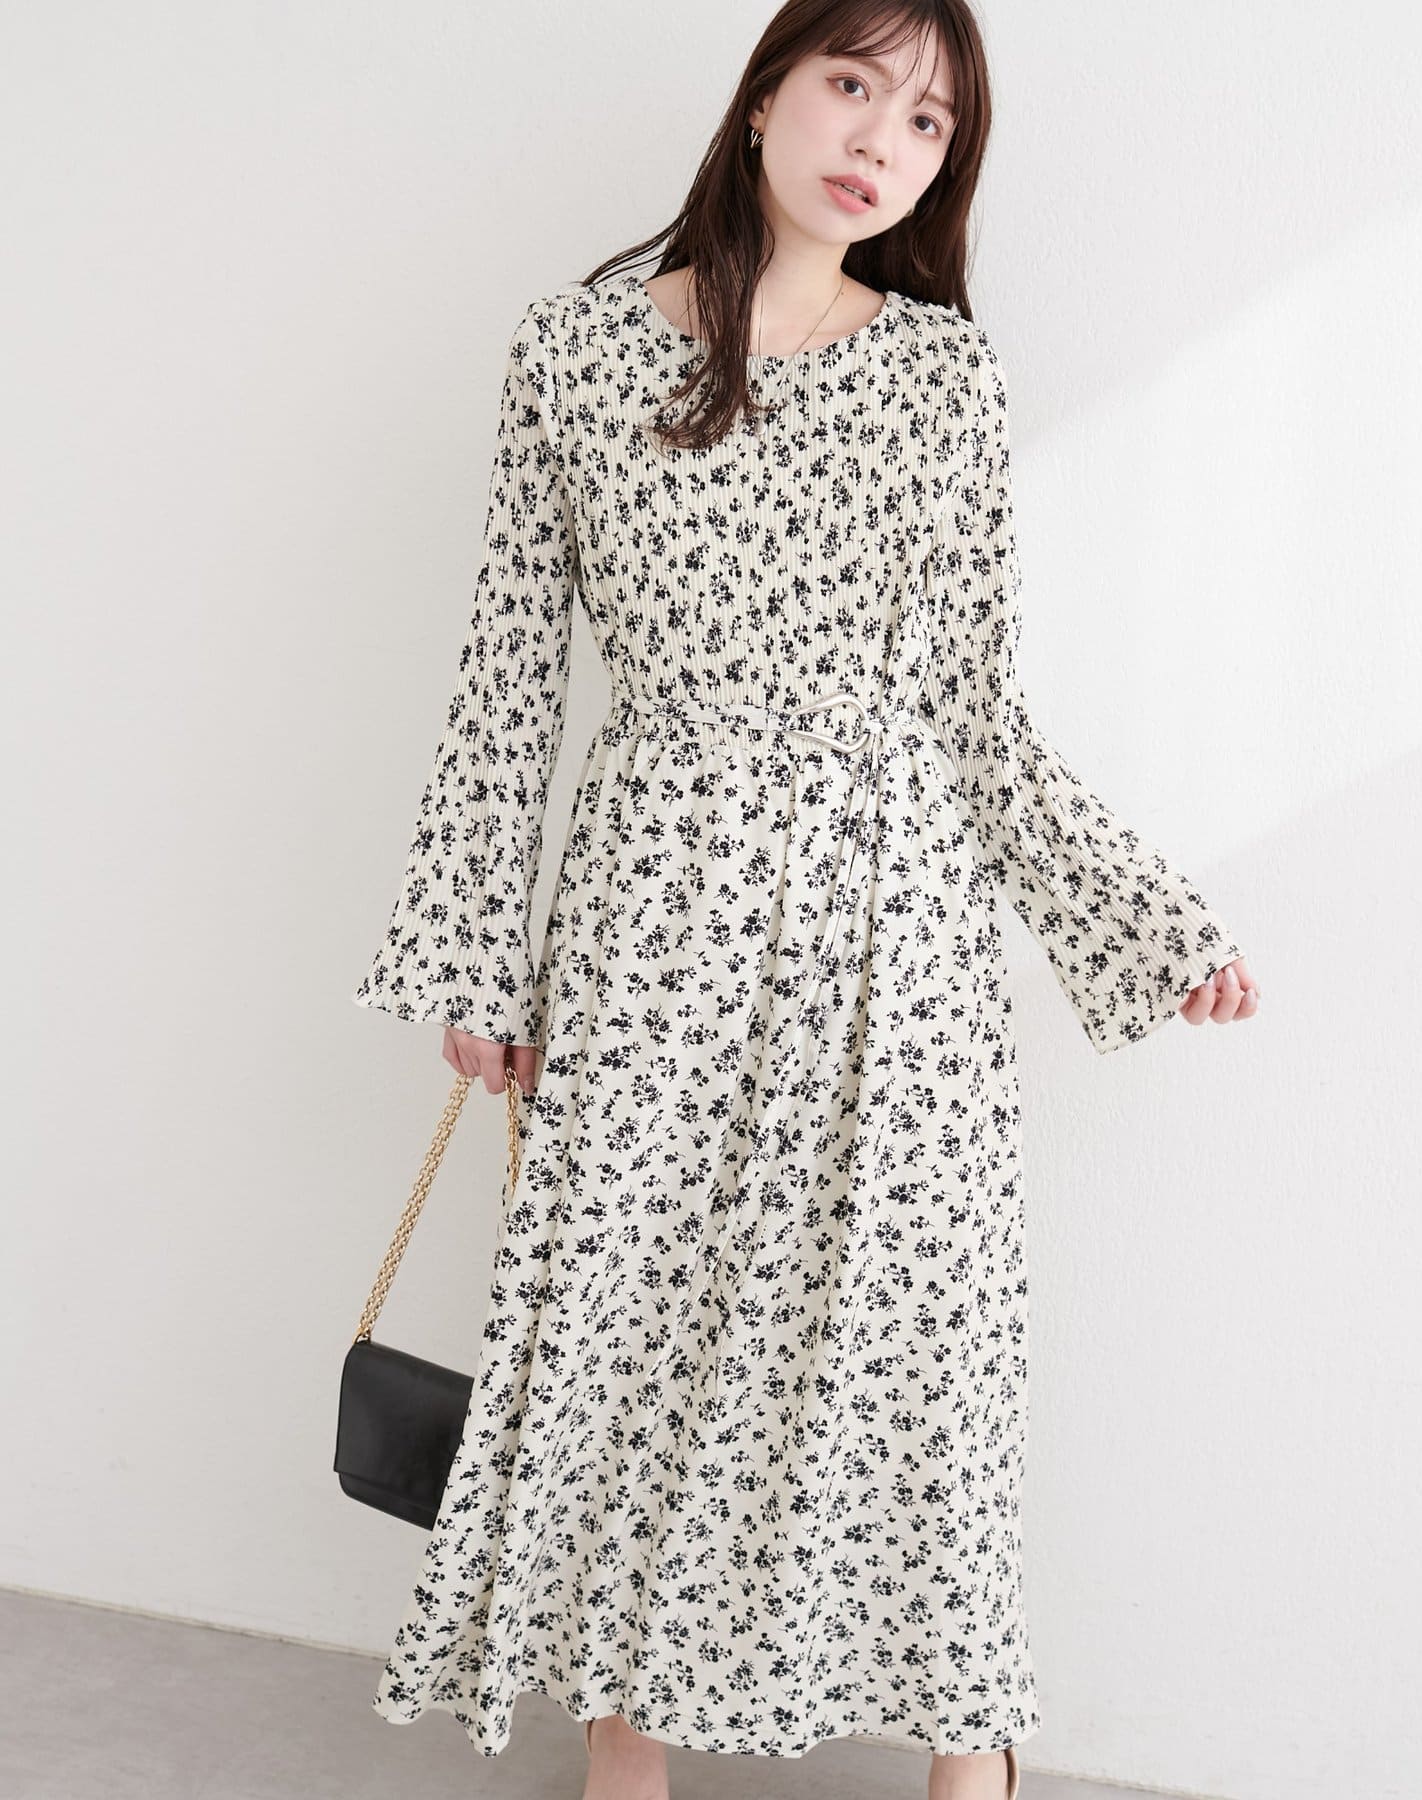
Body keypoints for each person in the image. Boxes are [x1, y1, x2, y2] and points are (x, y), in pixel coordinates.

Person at [349, 2, 1258, 1795]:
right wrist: (475, 960)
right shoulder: (571, 353)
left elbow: (977, 712)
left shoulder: (941, 377)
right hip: (652, 921)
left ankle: (970, 1754)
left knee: (919, 1347)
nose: (880, 142)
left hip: (891, 929)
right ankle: (625, 1748)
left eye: (927, 124)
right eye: (855, 86)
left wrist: (1147, 923)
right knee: (632, 1333)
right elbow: (507, 679)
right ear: (768, 92)